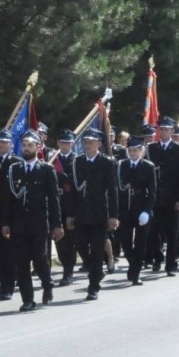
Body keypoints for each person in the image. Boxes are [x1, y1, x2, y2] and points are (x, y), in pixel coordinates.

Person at [1, 129, 63, 309]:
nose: (26, 148)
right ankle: (28, 300)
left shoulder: (46, 170)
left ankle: (47, 284)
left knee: (40, 259)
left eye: (30, 145)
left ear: (38, 147)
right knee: (21, 263)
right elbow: (8, 199)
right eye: (24, 145)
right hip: (19, 224)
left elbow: (54, 199)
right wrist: (5, 223)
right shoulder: (14, 170)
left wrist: (57, 224)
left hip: (39, 223)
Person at [68, 128, 119, 299]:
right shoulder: (77, 162)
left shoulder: (107, 162)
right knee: (80, 244)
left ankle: (93, 286)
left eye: (91, 142)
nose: (88, 145)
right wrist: (70, 214)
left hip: (99, 213)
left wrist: (113, 215)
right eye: (86, 142)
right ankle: (96, 271)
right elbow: (73, 191)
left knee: (97, 250)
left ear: (99, 144)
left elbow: (112, 190)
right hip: (81, 213)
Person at [147, 117, 179, 276]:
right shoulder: (151, 148)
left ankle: (171, 264)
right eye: (161, 129)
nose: (163, 132)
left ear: (172, 131)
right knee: (154, 231)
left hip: (172, 198)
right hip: (155, 197)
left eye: (166, 129)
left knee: (172, 232)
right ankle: (158, 258)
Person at [115, 130, 157, 284]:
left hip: (141, 208)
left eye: (136, 150)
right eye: (130, 150)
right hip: (125, 209)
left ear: (142, 151)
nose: (133, 153)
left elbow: (152, 192)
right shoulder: (121, 165)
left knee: (140, 243)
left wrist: (147, 211)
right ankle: (133, 263)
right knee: (125, 243)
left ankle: (135, 273)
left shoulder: (148, 167)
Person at [0, 129, 23, 301]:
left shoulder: (17, 163)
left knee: (8, 252)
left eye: (5, 142)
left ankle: (7, 285)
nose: (1, 145)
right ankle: (5, 278)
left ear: (10, 144)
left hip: (11, 214)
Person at [51, 131, 79, 285]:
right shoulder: (52, 159)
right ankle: (66, 267)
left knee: (71, 241)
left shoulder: (77, 160)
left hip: (72, 204)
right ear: (58, 143)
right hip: (56, 203)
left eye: (68, 143)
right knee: (59, 241)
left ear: (72, 144)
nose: (65, 145)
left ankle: (69, 272)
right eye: (62, 142)